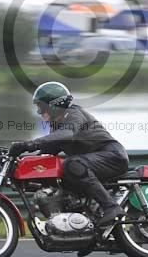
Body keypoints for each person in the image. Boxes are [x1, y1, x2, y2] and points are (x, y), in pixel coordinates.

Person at [9, 81, 129, 227]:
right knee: (60, 175)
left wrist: (30, 144)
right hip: (92, 161)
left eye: (41, 107)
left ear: (54, 105)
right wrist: (21, 159)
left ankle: (112, 207)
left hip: (112, 156)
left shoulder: (73, 114)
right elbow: (48, 150)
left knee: (72, 164)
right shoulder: (57, 125)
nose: (39, 112)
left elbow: (67, 134)